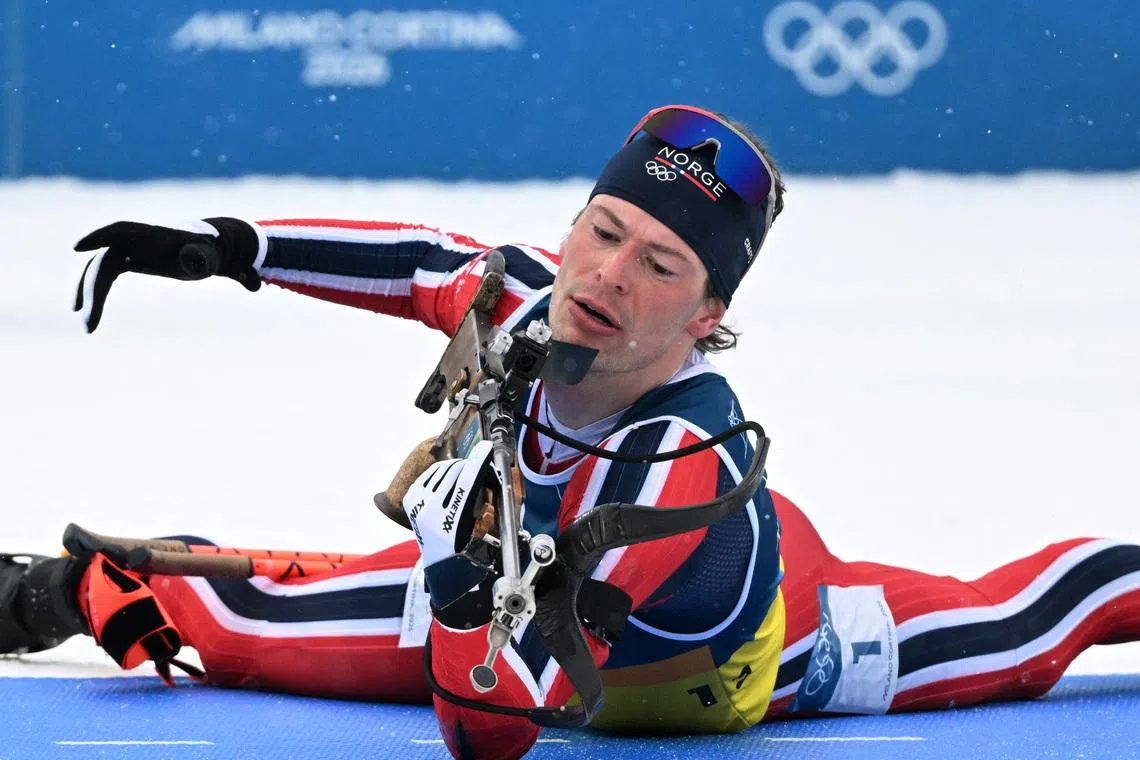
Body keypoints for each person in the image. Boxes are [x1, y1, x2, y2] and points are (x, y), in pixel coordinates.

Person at [3, 104, 1140, 760]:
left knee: (1036, 622)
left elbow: (500, 721)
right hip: (505, 567)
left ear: (708, 316)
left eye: (660, 265)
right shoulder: (541, 298)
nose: (605, 277)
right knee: (219, 620)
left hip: (742, 650)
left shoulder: (681, 448)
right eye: (600, 231)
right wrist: (228, 243)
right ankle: (45, 589)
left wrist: (456, 557)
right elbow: (416, 261)